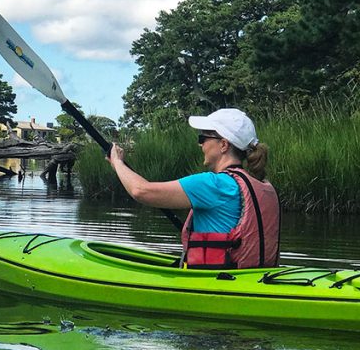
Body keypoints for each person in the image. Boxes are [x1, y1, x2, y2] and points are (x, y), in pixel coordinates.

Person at [107, 107, 280, 269]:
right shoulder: (260, 184)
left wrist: (117, 162)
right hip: (253, 277)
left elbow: (141, 191)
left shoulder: (213, 184)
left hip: (216, 283)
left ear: (223, 145)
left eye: (202, 138)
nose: (200, 145)